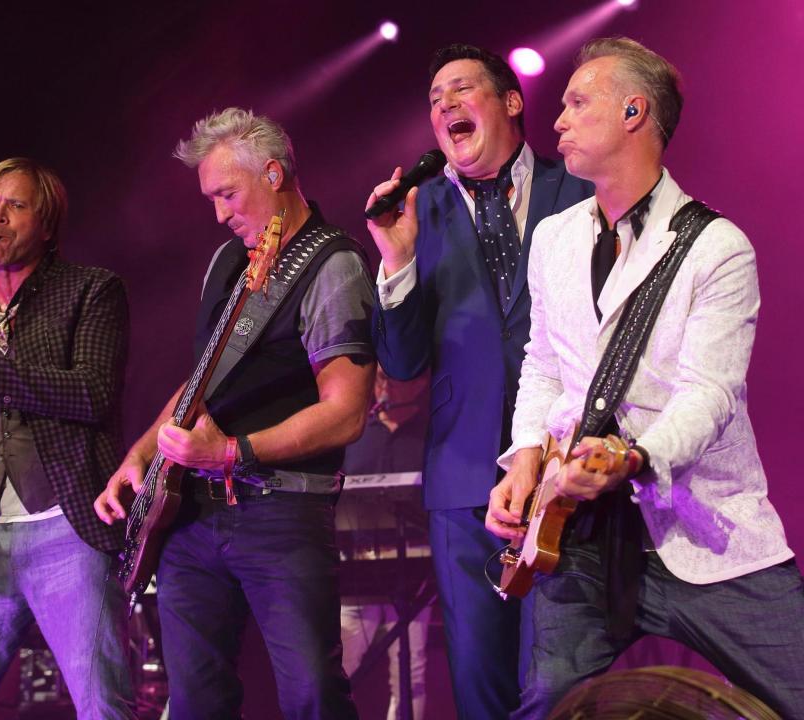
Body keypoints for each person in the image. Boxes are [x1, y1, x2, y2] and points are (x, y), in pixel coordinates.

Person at [486, 38, 804, 719]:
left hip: (704, 530)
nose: (559, 120)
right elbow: (544, 363)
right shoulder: (554, 238)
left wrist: (634, 458)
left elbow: (710, 393)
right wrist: (524, 459)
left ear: (634, 111)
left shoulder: (717, 246)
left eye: (577, 103)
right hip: (579, 533)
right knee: (545, 704)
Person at [95, 107, 374, 720]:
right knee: (195, 701)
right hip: (193, 516)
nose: (219, 213)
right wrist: (140, 455)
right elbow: (201, 384)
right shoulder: (226, 262)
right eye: (212, 198)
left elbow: (347, 413)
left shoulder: (334, 265)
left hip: (282, 513)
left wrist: (229, 452)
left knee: (312, 697)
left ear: (273, 174)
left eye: (227, 193)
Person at [365, 43, 593, 718]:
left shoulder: (574, 190)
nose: (445, 107)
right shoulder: (419, 210)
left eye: (461, 90)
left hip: (563, 470)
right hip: (464, 480)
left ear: (511, 102)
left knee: (559, 677)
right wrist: (397, 258)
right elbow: (402, 365)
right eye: (435, 101)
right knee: (478, 680)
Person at [0, 158, 135, 718]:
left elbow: (92, 393)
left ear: (48, 225)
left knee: (103, 707)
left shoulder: (93, 289)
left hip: (70, 533)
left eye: (16, 205)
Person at [340, 367, 431, 720]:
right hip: (356, 574)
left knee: (411, 672)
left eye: (394, 375)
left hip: (413, 572)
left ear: (420, 380)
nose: (383, 384)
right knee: (340, 669)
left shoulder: (428, 433)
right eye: (379, 376)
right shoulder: (357, 431)